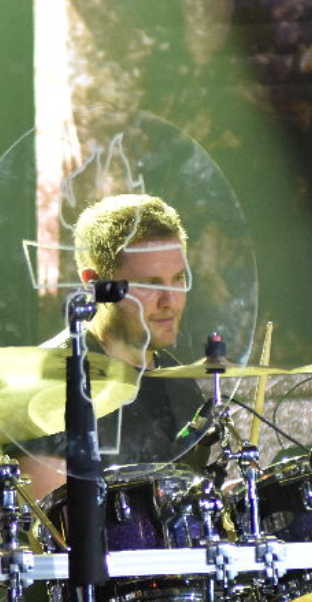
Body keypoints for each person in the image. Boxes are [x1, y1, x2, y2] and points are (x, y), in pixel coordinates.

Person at [28, 193, 206, 481]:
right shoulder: (50, 383)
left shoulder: (182, 385)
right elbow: (44, 505)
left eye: (179, 278)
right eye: (149, 284)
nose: (170, 301)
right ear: (94, 282)